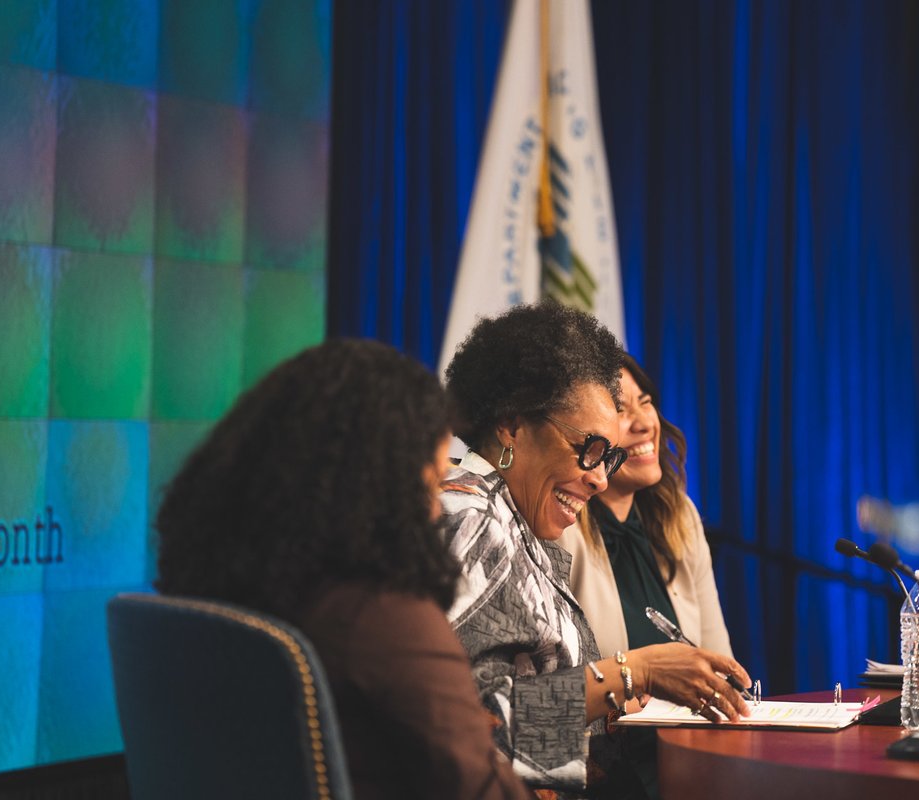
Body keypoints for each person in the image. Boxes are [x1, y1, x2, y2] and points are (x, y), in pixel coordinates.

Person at [155, 339, 528, 800]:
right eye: (431, 484)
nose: (436, 510)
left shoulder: (225, 581)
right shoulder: (383, 614)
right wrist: (615, 680)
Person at [440, 302, 751, 798]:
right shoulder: (470, 521)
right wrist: (633, 673)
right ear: (512, 425)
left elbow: (530, 725)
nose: (600, 477)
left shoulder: (514, 523)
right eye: (588, 449)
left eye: (609, 457)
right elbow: (478, 730)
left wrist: (611, 707)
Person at [558, 355, 732, 658]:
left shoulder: (679, 515)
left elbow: (718, 659)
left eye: (645, 401)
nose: (644, 424)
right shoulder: (560, 524)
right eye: (619, 410)